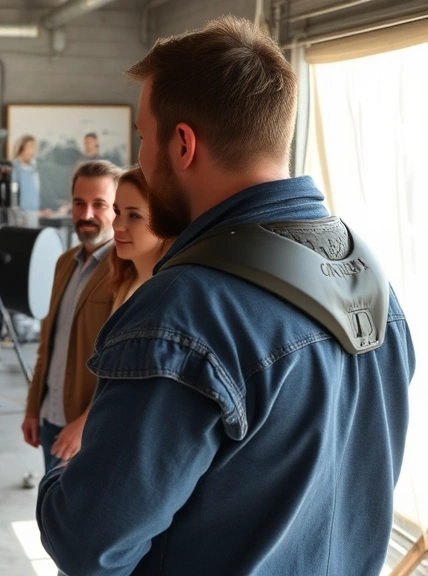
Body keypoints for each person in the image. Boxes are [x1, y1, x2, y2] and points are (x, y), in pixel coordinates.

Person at [36, 16, 415, 576]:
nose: (142, 159)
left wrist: (59, 480)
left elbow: (89, 543)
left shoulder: (184, 309)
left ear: (183, 144)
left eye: (144, 138)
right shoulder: (372, 280)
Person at [21, 160, 119, 474]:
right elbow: (47, 341)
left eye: (99, 205)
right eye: (79, 203)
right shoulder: (65, 262)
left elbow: (121, 365)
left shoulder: (126, 270)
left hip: (87, 430)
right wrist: (33, 406)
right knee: (50, 515)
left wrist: (84, 424)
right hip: (51, 418)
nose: (86, 214)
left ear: (117, 208)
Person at [108, 165, 173, 312]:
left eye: (134, 216)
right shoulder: (124, 279)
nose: (117, 225)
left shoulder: (170, 294)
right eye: (117, 212)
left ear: (165, 221)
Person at [11, 135, 41, 227]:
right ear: (21, 148)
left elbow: (37, 188)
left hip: (33, 210)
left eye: (34, 148)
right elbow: (13, 189)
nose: (33, 151)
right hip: (20, 212)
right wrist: (15, 208)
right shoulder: (15, 167)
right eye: (30, 147)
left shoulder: (33, 167)